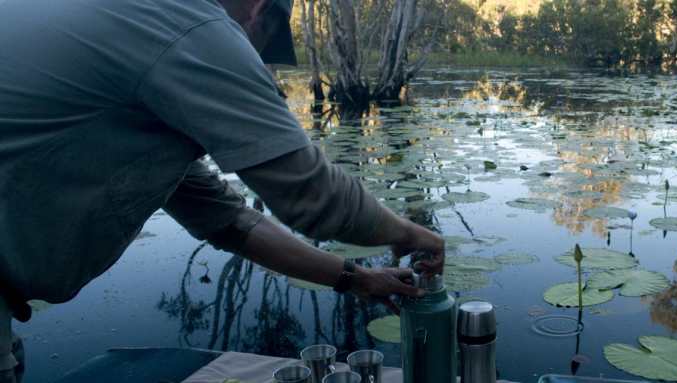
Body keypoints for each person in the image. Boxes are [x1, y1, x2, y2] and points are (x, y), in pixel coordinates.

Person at [0, 0, 445, 381]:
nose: (256, 59)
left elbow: (226, 219)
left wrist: (358, 279)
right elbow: (315, 198)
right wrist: (410, 233)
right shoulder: (194, 25)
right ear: (260, 11)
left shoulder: (133, 27)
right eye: (263, 46)